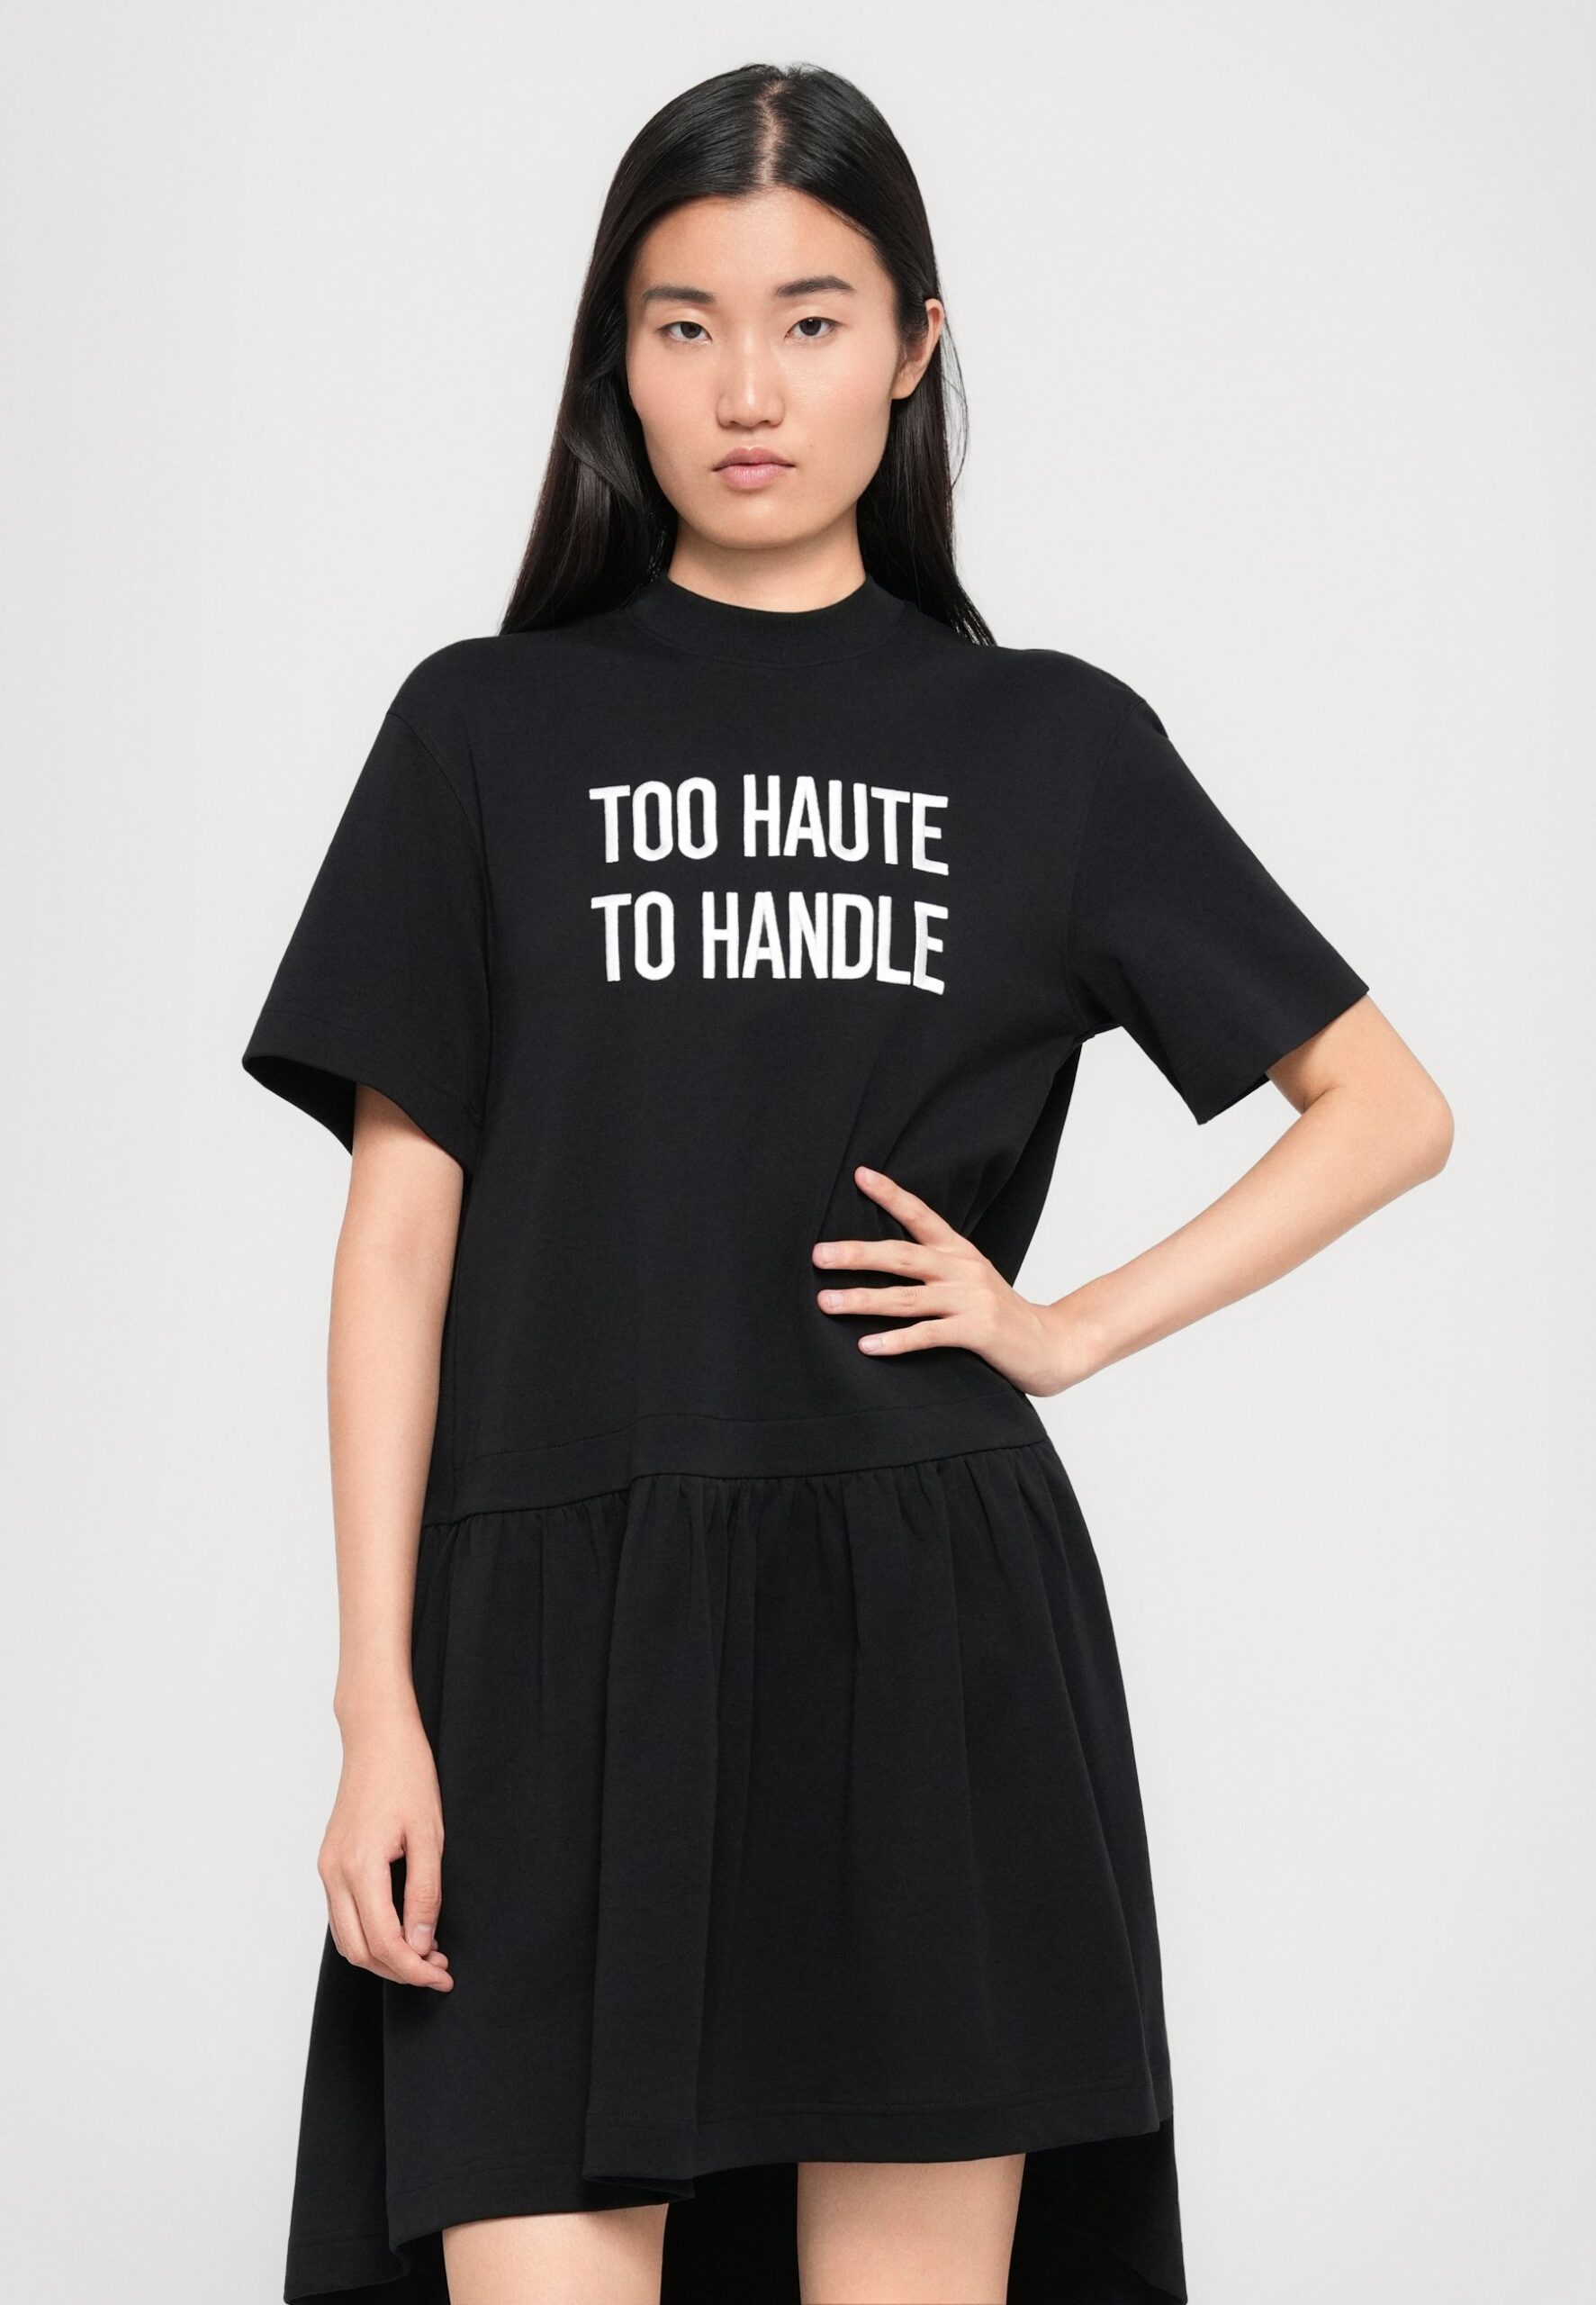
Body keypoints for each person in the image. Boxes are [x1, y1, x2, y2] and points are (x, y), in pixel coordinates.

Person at [240, 59, 1451, 2305]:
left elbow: (1382, 1103)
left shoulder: (1046, 743)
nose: (746, 388)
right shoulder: (479, 732)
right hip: (542, 1649)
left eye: (809, 320)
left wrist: (1065, 1325)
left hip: (920, 1636)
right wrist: (374, 1700)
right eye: (682, 322)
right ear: (615, 356)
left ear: (910, 346)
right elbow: (396, 1238)